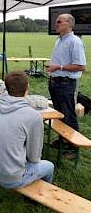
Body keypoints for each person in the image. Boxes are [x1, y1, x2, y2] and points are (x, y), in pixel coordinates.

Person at [0, 71, 54, 189]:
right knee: (49, 166)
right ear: (27, 88)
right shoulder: (33, 116)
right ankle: (40, 197)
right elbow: (34, 158)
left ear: (6, 87)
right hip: (9, 178)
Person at [48, 13, 86, 158]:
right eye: (56, 22)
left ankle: (73, 148)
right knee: (59, 114)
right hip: (55, 82)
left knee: (69, 115)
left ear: (69, 24)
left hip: (65, 84)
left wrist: (59, 68)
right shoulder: (59, 40)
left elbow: (81, 66)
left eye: (59, 22)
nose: (56, 24)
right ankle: (63, 139)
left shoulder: (74, 42)